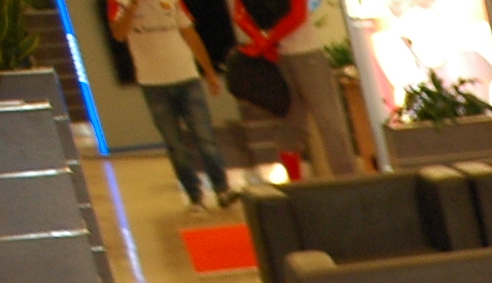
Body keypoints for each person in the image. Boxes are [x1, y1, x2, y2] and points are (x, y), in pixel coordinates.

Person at [110, 0, 233, 212]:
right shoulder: (119, 2)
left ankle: (222, 189)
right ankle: (195, 196)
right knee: (174, 144)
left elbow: (189, 33)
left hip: (186, 76)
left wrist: (209, 73)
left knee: (205, 137)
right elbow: (119, 34)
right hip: (153, 83)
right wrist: (132, 7)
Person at [228, 0, 368, 178]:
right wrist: (268, 42)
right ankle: (347, 177)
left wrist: (262, 40)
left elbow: (240, 15)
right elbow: (298, 14)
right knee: (328, 120)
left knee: (293, 120)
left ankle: (296, 181)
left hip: (278, 55)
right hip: (305, 52)